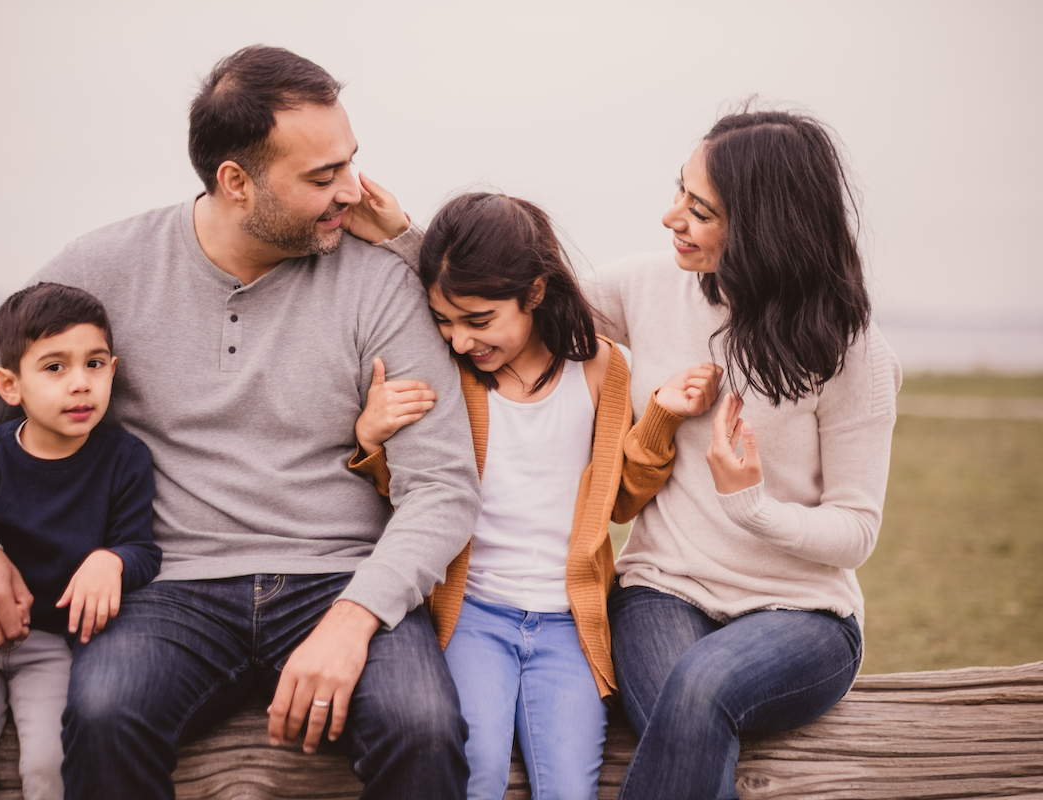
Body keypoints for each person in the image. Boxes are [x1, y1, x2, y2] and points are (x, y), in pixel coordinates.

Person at [0, 45, 481, 800]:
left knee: (422, 726)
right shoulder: (107, 265)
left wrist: (353, 619)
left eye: (349, 162)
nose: (353, 191)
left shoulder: (379, 281)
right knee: (103, 714)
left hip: (341, 575)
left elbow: (443, 485)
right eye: (321, 177)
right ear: (236, 182)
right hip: (168, 586)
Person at [347, 192, 722, 800]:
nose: (460, 339)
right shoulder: (454, 373)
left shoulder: (602, 368)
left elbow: (619, 502)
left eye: (478, 321)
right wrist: (371, 440)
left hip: (569, 625)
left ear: (537, 293)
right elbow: (413, 497)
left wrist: (659, 420)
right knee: (482, 772)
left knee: (569, 787)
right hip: (473, 613)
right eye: (445, 322)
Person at [585, 110, 902, 799]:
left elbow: (856, 531)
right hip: (661, 591)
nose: (671, 217)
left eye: (699, 210)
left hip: (804, 619)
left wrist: (752, 505)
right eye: (680, 193)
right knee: (689, 707)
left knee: (698, 691)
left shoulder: (854, 353)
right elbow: (515, 292)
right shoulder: (645, 286)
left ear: (762, 227)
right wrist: (403, 238)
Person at [0, 282, 162, 800]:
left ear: (113, 371)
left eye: (94, 365)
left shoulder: (125, 460)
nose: (79, 384)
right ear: (9, 385)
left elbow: (143, 550)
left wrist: (111, 560)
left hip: (53, 645)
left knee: (51, 767)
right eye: (54, 367)